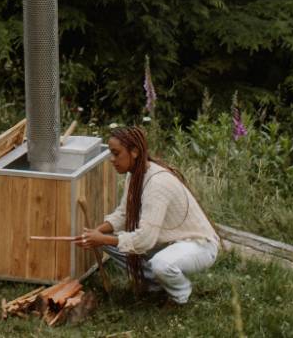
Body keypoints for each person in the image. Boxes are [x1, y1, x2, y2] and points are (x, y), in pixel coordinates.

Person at [74, 125, 219, 305]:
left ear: (134, 152)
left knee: (161, 264)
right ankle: (155, 285)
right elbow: (123, 214)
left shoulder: (156, 184)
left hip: (199, 245)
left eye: (116, 153)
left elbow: (145, 240)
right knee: (106, 240)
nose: (112, 159)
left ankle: (180, 296)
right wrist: (96, 233)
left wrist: (101, 238)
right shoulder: (134, 174)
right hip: (168, 241)